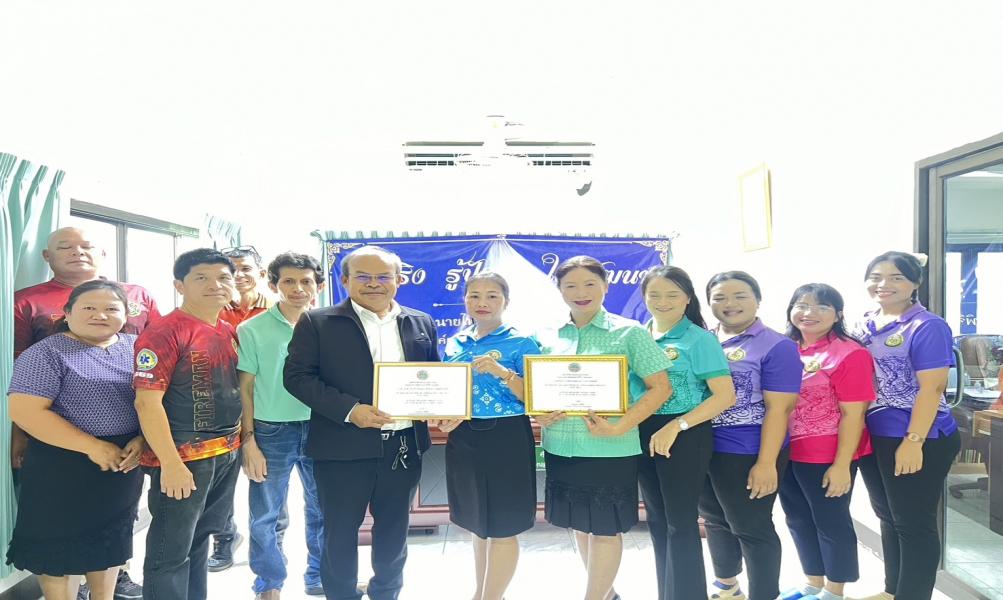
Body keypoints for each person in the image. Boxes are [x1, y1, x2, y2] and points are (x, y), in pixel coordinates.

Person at [284, 245, 439, 600]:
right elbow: (297, 378)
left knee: (394, 531)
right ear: (344, 280)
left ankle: (386, 592)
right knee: (339, 532)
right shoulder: (318, 322)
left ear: (399, 280)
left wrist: (439, 406)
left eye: (383, 276)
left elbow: (432, 375)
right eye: (363, 276)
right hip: (342, 445)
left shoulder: (420, 322)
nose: (373, 284)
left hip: (402, 446)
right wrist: (351, 410)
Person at [11, 226, 156, 600]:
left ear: (125, 313)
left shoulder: (137, 348)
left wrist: (143, 439)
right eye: (89, 308)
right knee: (56, 546)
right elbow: (25, 410)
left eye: (112, 308)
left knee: (111, 539)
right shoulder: (46, 352)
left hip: (123, 461)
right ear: (68, 312)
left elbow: (156, 399)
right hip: (61, 462)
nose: (100, 314)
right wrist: (92, 446)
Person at [534, 255, 672, 600]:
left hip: (610, 448)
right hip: (560, 446)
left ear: (606, 286)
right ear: (559, 290)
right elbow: (538, 388)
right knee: (580, 524)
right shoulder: (547, 335)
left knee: (606, 529)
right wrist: (539, 413)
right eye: (570, 285)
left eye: (590, 284)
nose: (580, 292)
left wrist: (619, 426)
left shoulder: (630, 332)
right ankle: (607, 594)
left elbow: (660, 388)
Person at [133, 248, 244, 600]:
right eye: (202, 278)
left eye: (223, 278)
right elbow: (146, 402)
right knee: (170, 552)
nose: (215, 285)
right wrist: (170, 463)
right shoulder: (164, 332)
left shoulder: (227, 329)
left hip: (226, 452)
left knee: (199, 542)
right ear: (179, 285)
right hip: (184, 457)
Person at [854, 252, 961, 600]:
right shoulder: (865, 323)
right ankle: (892, 592)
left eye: (897, 277)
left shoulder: (927, 326)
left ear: (916, 283)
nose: (884, 284)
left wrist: (914, 440)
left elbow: (932, 388)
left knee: (913, 524)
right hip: (875, 434)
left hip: (918, 435)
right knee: (889, 517)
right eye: (876, 276)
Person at [435, 272, 542, 600]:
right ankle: (482, 593)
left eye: (492, 296)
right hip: (465, 437)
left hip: (507, 436)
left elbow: (537, 396)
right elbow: (448, 390)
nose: (482, 302)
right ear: (465, 300)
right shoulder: (456, 342)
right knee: (478, 523)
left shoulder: (522, 342)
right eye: (474, 295)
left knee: (504, 525)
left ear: (506, 302)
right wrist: (446, 416)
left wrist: (503, 372)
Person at [699, 271, 801, 600]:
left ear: (758, 300)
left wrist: (766, 463)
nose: (729, 304)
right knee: (714, 519)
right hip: (703, 446)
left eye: (740, 296)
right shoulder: (704, 340)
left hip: (748, 449)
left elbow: (779, 409)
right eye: (719, 297)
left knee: (751, 527)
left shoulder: (777, 346)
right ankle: (727, 587)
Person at [637, 266, 736, 600]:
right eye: (654, 294)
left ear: (688, 299)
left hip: (685, 432)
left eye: (672, 294)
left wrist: (676, 426)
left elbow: (724, 396)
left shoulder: (699, 339)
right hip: (642, 431)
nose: (662, 301)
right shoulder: (638, 335)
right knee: (657, 519)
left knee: (680, 522)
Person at [777, 284, 875, 600]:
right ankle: (813, 582)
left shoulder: (850, 352)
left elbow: (854, 414)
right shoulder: (785, 348)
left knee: (830, 520)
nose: (809, 313)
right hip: (785, 449)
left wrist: (842, 465)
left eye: (821, 307)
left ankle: (835, 590)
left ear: (838, 315)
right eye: (802, 305)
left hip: (826, 453)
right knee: (797, 517)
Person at [238, 252, 327, 599]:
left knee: (323, 508)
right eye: (288, 281)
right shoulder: (252, 329)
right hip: (271, 430)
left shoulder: (329, 325)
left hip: (322, 427)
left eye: (306, 281)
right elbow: (245, 388)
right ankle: (269, 583)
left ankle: (319, 576)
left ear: (318, 286)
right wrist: (248, 440)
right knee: (266, 514)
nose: (298, 288)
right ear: (274, 284)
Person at [210, 244, 273, 571]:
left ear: (260, 273)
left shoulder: (278, 310)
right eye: (229, 270)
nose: (238, 275)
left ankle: (270, 547)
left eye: (245, 268)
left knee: (266, 481)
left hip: (267, 405)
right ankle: (224, 538)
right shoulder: (211, 309)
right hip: (220, 405)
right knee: (220, 481)